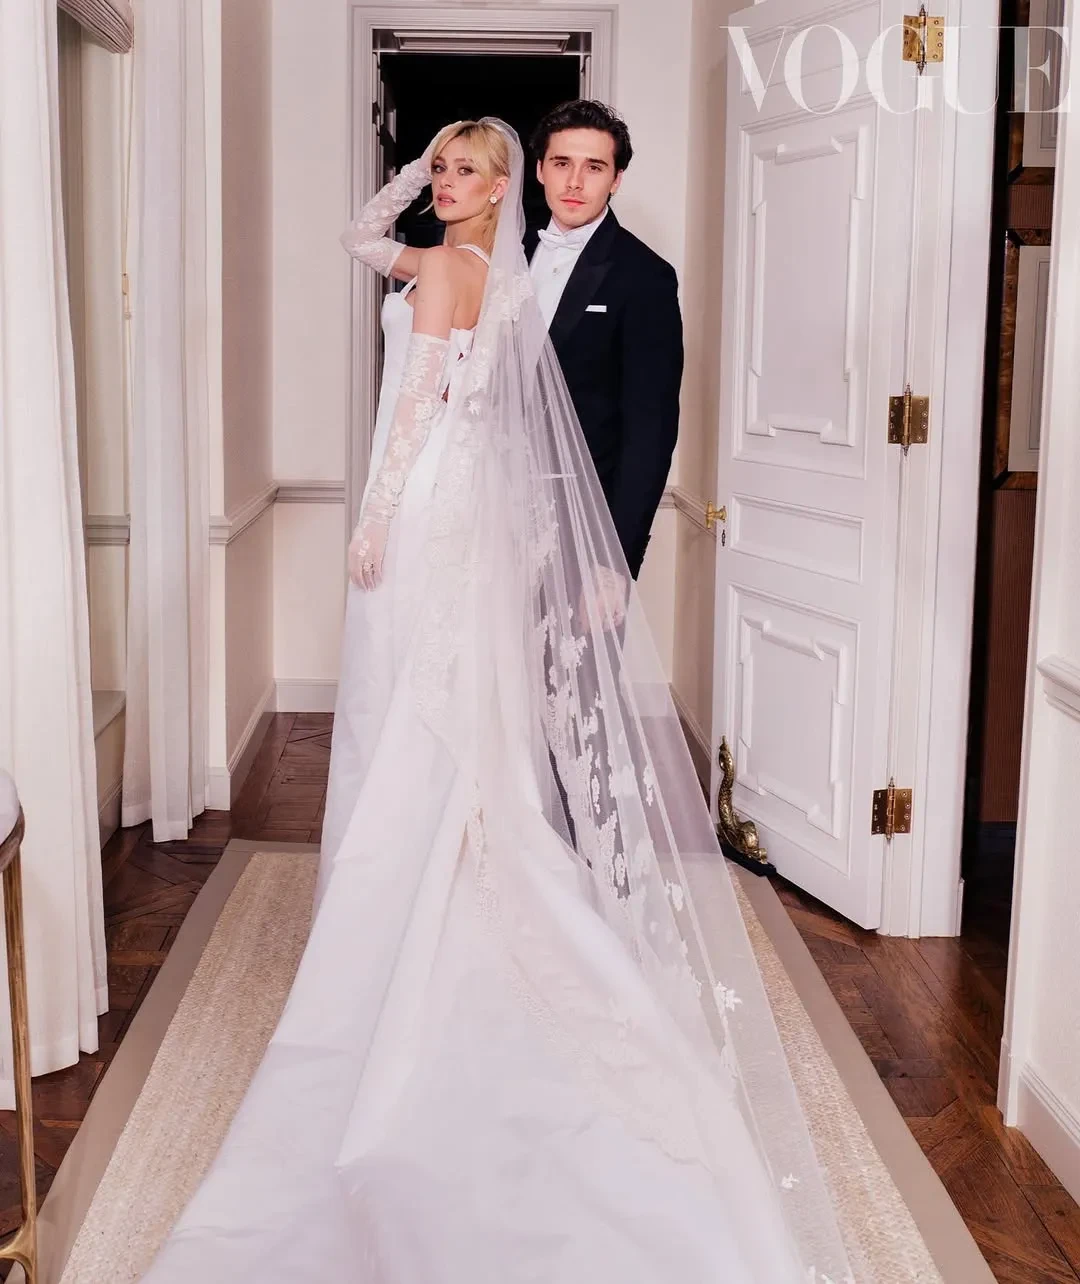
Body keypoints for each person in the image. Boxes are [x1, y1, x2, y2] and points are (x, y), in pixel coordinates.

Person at [138, 120, 854, 1283]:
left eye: (583, 167)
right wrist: (427, 171)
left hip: (464, 511)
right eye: (550, 164)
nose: (567, 181)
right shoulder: (490, 263)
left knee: (449, 708)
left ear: (602, 178)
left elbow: (542, 422)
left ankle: (455, 878)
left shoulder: (588, 276)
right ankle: (466, 853)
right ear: (536, 178)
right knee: (470, 710)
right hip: (478, 514)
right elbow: (371, 247)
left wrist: (410, 528)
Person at [527, 100, 683, 581]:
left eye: (593, 167)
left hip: (583, 530)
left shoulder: (646, 276)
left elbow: (651, 431)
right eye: (561, 163)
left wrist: (615, 562)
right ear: (540, 170)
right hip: (490, 515)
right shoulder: (505, 255)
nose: (574, 182)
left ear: (616, 179)